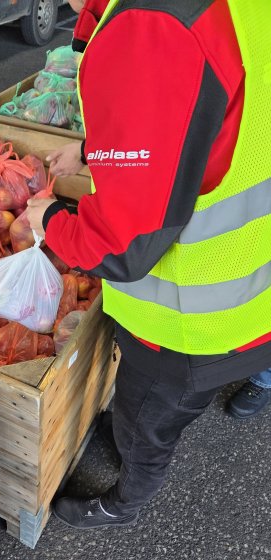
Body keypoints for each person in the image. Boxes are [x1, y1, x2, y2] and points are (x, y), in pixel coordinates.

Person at [27, 0, 271, 530]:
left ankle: (124, 502)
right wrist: (95, 151)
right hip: (252, 280)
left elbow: (122, 248)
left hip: (191, 318)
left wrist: (51, 221)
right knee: (161, 407)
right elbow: (194, 116)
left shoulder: (151, 26)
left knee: (148, 423)